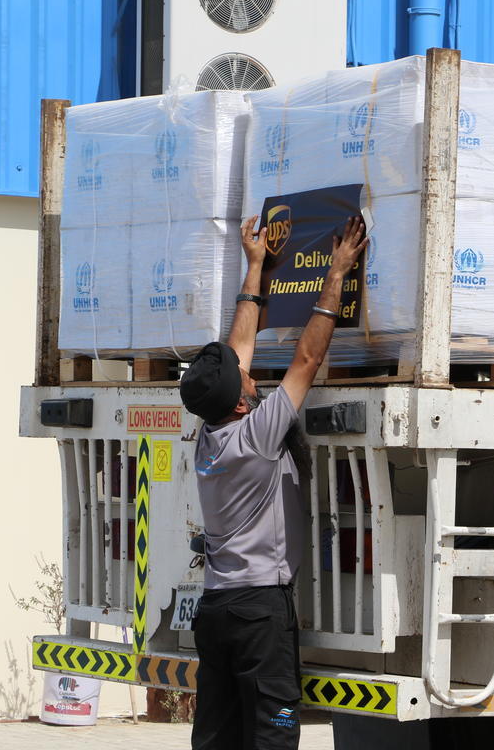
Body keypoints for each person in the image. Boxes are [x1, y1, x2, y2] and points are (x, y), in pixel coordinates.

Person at [179, 213, 367, 750]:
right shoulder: (259, 436)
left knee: (218, 735)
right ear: (241, 402)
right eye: (245, 378)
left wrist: (255, 264)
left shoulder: (211, 434)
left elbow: (239, 346)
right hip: (260, 612)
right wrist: (337, 272)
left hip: (217, 610)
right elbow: (307, 358)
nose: (250, 370)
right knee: (272, 735)